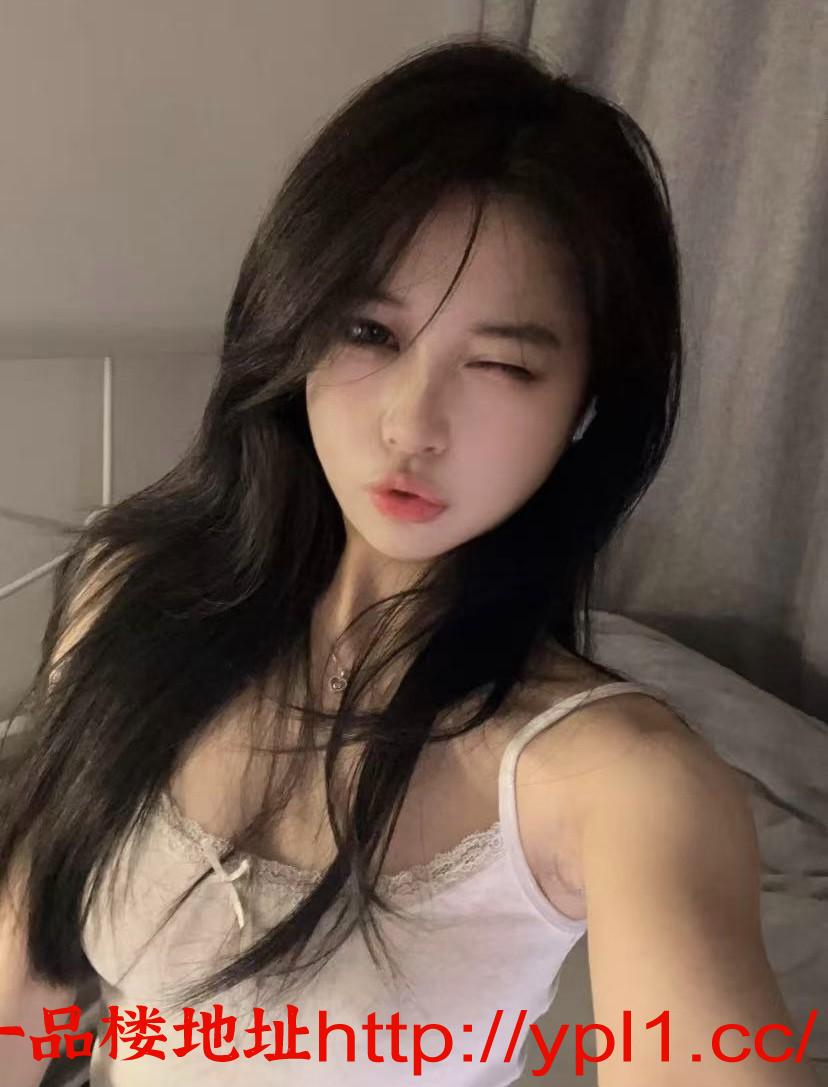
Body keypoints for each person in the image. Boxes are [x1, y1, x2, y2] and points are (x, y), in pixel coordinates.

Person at [0, 36, 818, 1087]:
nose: (411, 424)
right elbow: (28, 975)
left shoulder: (620, 785)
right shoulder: (131, 593)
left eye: (500, 364)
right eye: (369, 332)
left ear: (587, 409)